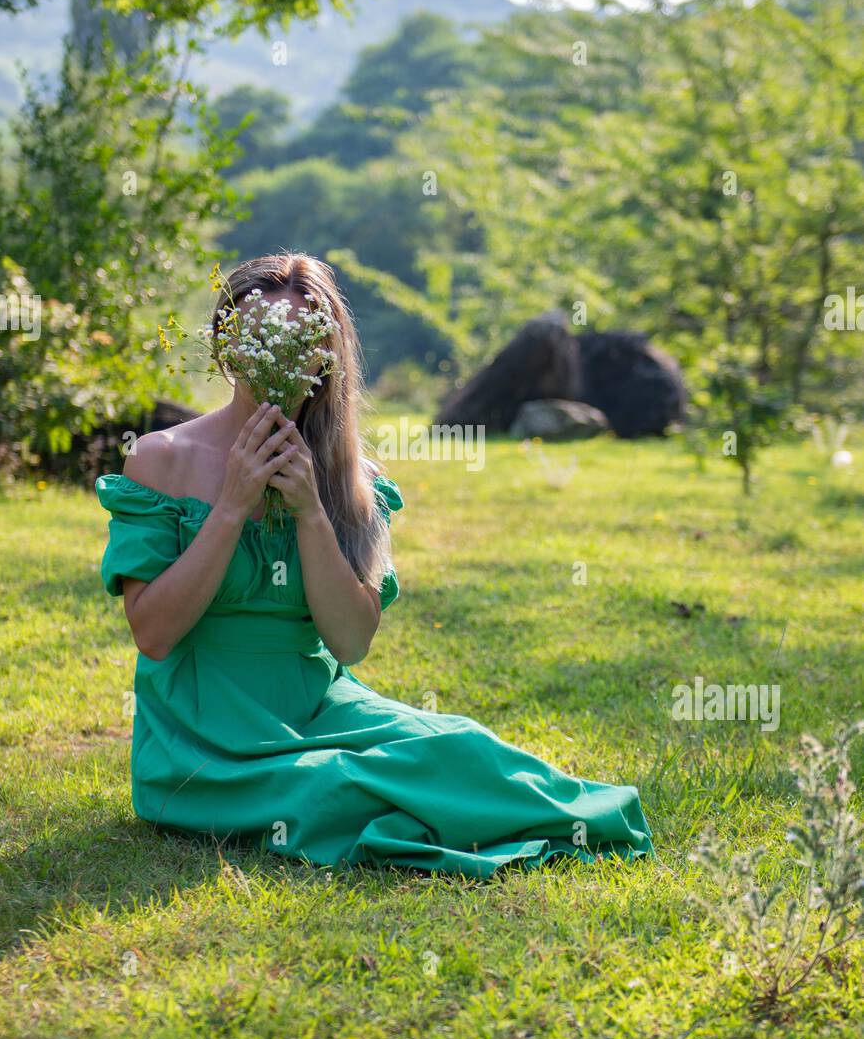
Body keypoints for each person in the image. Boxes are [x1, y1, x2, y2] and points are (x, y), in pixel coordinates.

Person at [95, 252, 653, 878]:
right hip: (204, 743)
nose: (277, 359)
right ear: (225, 346)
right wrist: (231, 508)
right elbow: (154, 633)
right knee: (342, 784)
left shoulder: (351, 477)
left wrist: (310, 511)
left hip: (320, 708)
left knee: (459, 745)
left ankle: (578, 819)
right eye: (257, 337)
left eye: (298, 341)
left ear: (323, 357)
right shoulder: (159, 459)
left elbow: (351, 641)